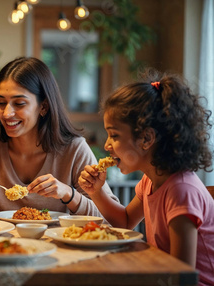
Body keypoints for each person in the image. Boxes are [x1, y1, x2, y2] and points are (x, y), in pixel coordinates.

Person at [78, 70, 214, 285]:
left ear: (146, 138)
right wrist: (96, 191)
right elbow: (124, 222)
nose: (106, 146)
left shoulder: (181, 191)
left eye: (114, 135)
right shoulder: (151, 180)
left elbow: (182, 275)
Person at [0, 57, 118, 216]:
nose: (7, 113)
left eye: (19, 103)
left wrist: (68, 194)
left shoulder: (74, 149)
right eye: (1, 102)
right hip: (1, 245)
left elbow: (110, 220)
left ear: (43, 106)